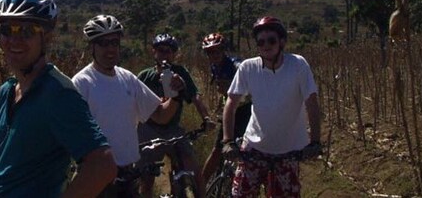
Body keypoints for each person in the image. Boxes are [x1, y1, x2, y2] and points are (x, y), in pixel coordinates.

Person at [0, 0, 116, 198]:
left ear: (47, 38)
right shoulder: (7, 91)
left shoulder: (58, 93)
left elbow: (103, 164)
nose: (14, 40)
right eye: (6, 30)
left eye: (27, 31)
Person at [72, 15, 183, 197]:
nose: (110, 49)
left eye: (114, 42)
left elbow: (161, 115)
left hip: (128, 175)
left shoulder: (128, 78)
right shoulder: (82, 83)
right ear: (92, 46)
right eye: (103, 43)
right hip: (94, 175)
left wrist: (176, 95)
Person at [222, 16, 322, 198]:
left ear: (282, 42)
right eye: (260, 42)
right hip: (254, 147)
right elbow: (231, 103)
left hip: (289, 150)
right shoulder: (248, 67)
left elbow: (312, 102)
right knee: (240, 194)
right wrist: (228, 141)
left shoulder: (298, 65)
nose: (265, 45)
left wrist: (315, 141)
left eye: (271, 40)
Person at [137, 33, 212, 198]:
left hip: (173, 129)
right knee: (146, 178)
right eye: (161, 50)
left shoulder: (180, 72)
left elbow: (194, 96)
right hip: (149, 129)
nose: (165, 54)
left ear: (174, 54)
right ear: (154, 52)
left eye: (169, 51)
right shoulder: (145, 76)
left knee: (193, 169)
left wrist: (206, 118)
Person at [199, 32, 252, 183]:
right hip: (229, 112)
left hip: (245, 111)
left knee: (245, 150)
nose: (213, 54)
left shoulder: (235, 64)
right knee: (217, 150)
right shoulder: (214, 67)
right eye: (209, 52)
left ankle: (241, 183)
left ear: (223, 50)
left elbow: (243, 74)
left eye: (217, 50)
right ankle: (201, 187)